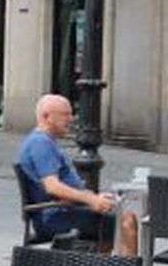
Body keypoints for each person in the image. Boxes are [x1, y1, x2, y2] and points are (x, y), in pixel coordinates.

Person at [16, 94, 140, 257]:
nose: (71, 119)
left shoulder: (43, 141)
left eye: (71, 114)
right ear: (47, 116)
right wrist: (91, 200)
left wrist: (94, 198)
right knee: (127, 220)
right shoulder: (41, 143)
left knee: (110, 216)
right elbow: (53, 187)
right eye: (65, 114)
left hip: (62, 210)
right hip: (56, 216)